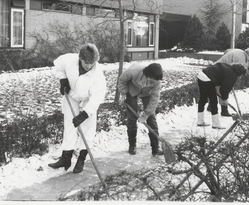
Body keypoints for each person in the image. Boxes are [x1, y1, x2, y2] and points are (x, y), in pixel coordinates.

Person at [48, 43, 107, 173]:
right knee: (69, 124)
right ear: (80, 58)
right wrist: (63, 80)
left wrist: (84, 114)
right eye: (87, 63)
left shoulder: (97, 74)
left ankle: (81, 158)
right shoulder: (69, 60)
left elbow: (97, 97)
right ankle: (66, 158)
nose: (89, 66)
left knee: (88, 128)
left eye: (92, 63)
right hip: (72, 95)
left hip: (88, 99)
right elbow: (58, 66)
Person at [118, 62, 164, 156]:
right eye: (151, 80)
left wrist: (146, 115)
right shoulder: (133, 71)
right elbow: (122, 80)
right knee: (132, 117)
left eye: (154, 81)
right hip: (132, 90)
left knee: (151, 118)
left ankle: (155, 148)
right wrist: (123, 93)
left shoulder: (157, 82)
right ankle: (132, 145)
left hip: (147, 93)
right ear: (147, 74)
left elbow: (154, 99)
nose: (152, 83)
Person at [197, 62, 247, 129]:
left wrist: (223, 96)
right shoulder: (232, 75)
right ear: (240, 73)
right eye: (241, 75)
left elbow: (220, 81)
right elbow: (224, 89)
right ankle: (216, 124)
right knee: (213, 101)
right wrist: (224, 99)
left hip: (201, 75)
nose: (240, 77)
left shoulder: (228, 67)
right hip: (208, 79)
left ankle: (200, 121)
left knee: (202, 99)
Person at [213, 49, 248, 116]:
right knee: (223, 91)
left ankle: (211, 107)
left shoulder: (238, 52)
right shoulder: (240, 56)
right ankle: (224, 111)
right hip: (221, 73)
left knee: (218, 91)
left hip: (220, 71)